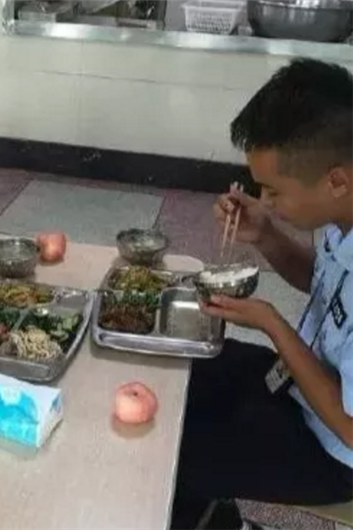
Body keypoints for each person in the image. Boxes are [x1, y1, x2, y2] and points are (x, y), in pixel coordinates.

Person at [171, 58, 353, 530]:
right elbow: (325, 284)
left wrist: (272, 323)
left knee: (175, 456)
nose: (265, 201)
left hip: (332, 450)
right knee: (184, 369)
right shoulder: (342, 217)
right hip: (300, 385)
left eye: (273, 192)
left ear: (336, 180)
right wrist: (267, 234)